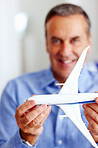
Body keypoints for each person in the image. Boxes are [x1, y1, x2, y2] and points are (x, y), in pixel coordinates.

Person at [0, 3, 98, 148]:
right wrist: (26, 138)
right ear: (46, 43)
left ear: (89, 41)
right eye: (56, 40)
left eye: (75, 40)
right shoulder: (15, 89)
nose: (65, 52)